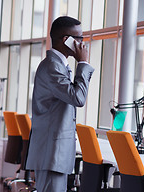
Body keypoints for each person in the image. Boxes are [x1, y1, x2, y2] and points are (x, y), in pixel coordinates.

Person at [26, 16, 94, 192]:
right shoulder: (52, 67)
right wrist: (84, 63)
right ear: (67, 40)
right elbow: (78, 98)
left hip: (55, 153)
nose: (82, 44)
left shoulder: (58, 65)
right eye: (79, 38)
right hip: (51, 153)